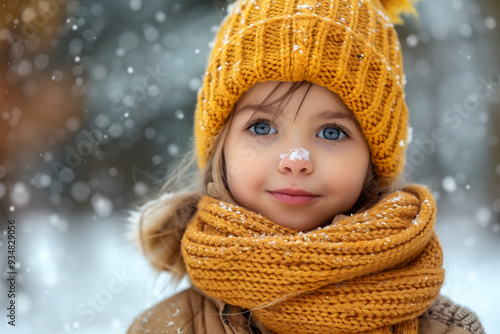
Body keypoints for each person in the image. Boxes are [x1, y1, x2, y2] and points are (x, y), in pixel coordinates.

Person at [127, 0, 485, 333]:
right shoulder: (167, 326)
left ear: (373, 160)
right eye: (262, 127)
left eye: (331, 132)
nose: (295, 160)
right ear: (222, 148)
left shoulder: (446, 328)